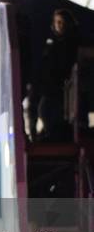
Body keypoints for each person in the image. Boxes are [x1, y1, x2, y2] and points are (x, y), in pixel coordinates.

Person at [28, 9, 79, 142]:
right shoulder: (51, 43)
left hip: (63, 87)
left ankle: (52, 135)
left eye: (62, 22)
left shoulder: (71, 42)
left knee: (46, 110)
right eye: (57, 22)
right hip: (49, 86)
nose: (59, 25)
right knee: (40, 108)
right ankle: (43, 134)